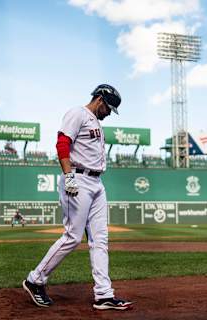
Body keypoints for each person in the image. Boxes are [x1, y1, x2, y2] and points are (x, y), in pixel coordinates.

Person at [22, 84, 133, 311]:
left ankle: (104, 294)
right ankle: (35, 280)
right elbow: (62, 143)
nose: (110, 113)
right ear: (100, 99)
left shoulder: (96, 123)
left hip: (97, 183)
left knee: (100, 240)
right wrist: (68, 175)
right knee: (73, 236)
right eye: (109, 108)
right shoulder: (77, 113)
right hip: (78, 180)